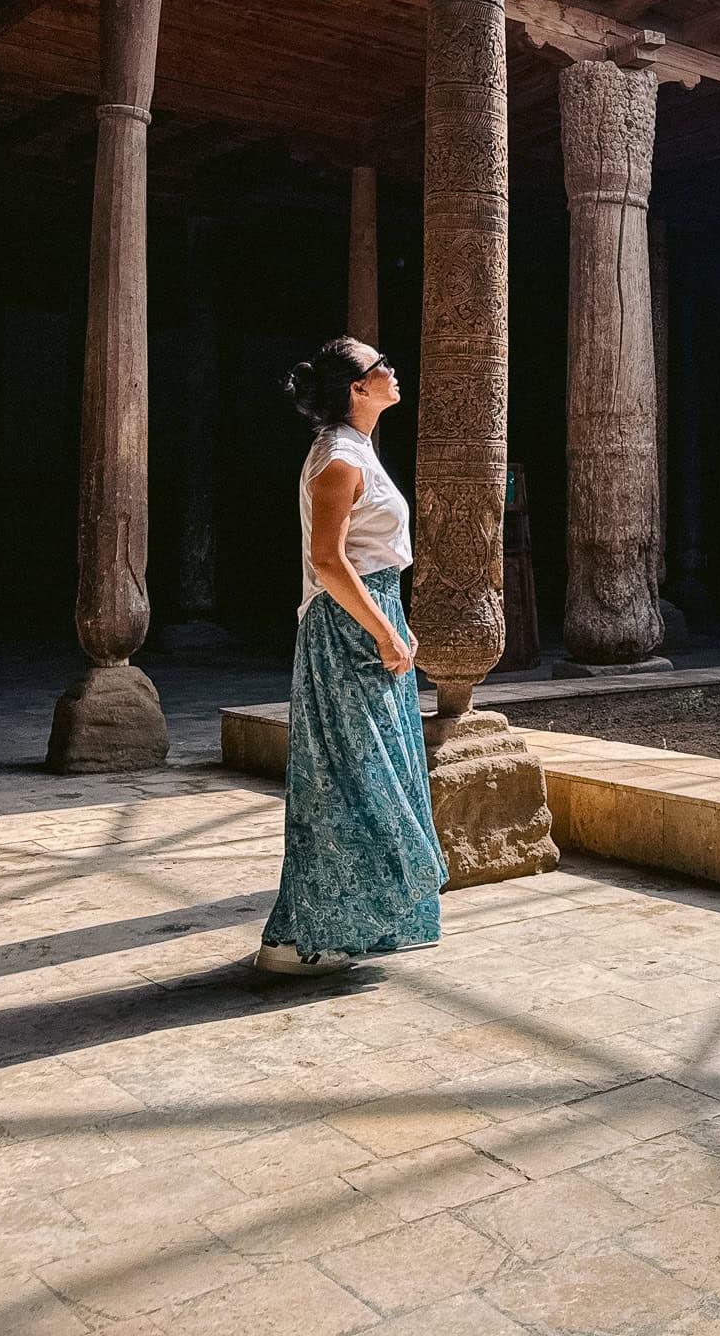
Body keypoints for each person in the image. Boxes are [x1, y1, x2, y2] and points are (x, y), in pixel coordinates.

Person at [255, 336, 447, 974]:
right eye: (380, 364)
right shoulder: (338, 456)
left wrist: (393, 624)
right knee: (351, 778)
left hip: (368, 614)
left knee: (370, 773)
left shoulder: (355, 447)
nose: (392, 369)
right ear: (358, 388)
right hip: (348, 625)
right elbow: (330, 561)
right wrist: (384, 632)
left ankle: (343, 930)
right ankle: (303, 939)